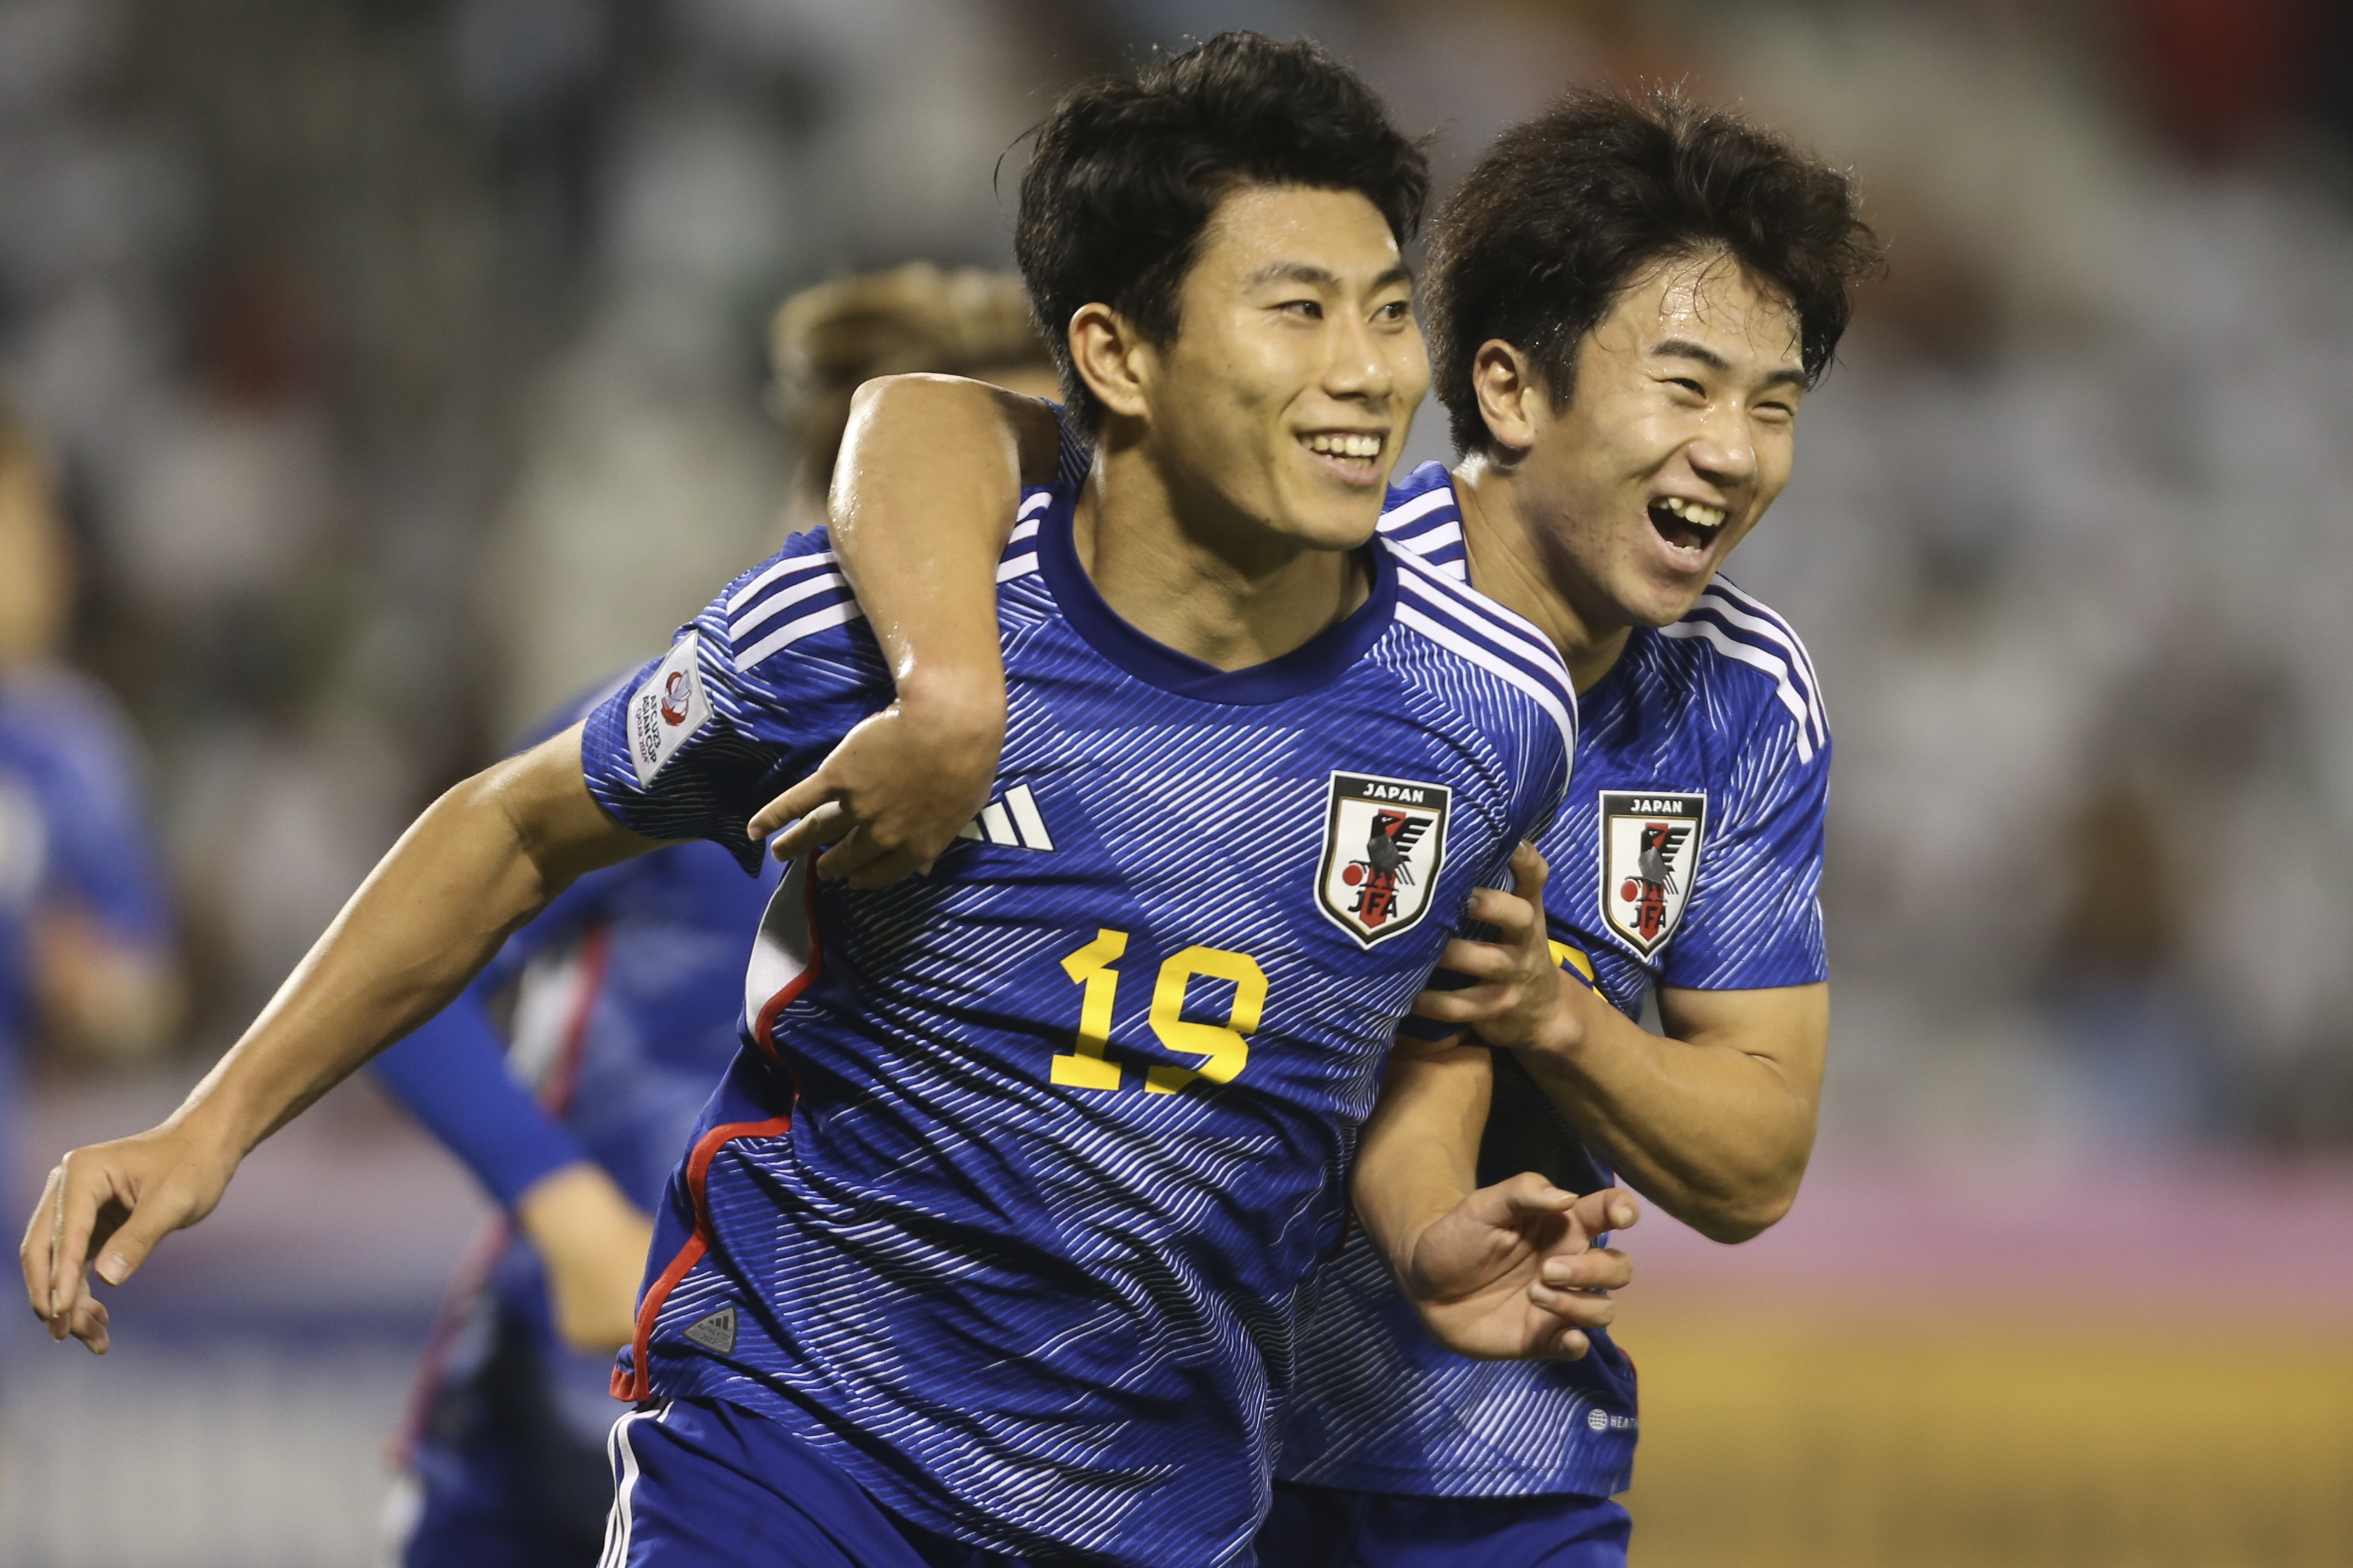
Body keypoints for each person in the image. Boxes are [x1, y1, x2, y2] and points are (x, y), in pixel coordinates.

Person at [25, 34, 1634, 1568]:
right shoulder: (853, 640)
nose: (1368, 375)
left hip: (1156, 1496)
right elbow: (510, 831)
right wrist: (208, 1125)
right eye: (1297, 313)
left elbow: (1415, 1019)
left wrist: (1426, 1223)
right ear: (1113, 355)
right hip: (792, 1438)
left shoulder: (1486, 716)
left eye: (1381, 313)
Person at [759, 86, 1879, 1567]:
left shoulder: (1742, 699)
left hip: (1497, 1454)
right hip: (1144, 1449)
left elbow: (1758, 1158)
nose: (1732, 453)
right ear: (1508, 388)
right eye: (1684, 386)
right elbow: (935, 422)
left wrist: (1560, 1018)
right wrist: (952, 689)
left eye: (1773, 403)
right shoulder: (1302, 567)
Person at [370, 265, 1061, 1568]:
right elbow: (413, 990)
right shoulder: (682, 742)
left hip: (823, 1421)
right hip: (541, 1422)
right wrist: (563, 1207)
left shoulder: (1054, 795)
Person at [0, 397, 178, 1187]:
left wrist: (91, 990)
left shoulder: (65, 744)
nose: (59, 554)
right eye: (29, 518)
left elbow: (145, 991)